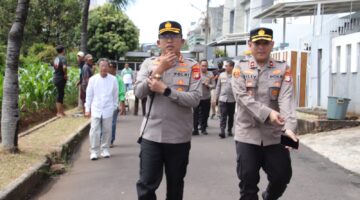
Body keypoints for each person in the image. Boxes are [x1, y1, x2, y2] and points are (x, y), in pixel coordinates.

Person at [134, 20, 201, 200]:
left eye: (174, 36)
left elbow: (195, 99)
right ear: (158, 42)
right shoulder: (149, 63)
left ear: (182, 41)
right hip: (152, 136)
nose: (169, 41)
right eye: (165, 37)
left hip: (179, 137)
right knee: (146, 185)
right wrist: (159, 69)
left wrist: (166, 91)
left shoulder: (192, 66)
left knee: (175, 186)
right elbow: (139, 93)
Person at [231, 27, 298, 200]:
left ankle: (268, 196)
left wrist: (290, 128)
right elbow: (241, 97)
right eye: (257, 43)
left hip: (275, 134)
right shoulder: (240, 67)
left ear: (272, 44)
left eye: (265, 43)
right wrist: (268, 113)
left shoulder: (283, 68)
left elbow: (286, 99)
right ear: (250, 44)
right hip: (247, 133)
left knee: (282, 177)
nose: (261, 47)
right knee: (247, 182)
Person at [85, 59, 119, 160]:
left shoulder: (113, 79)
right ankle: (94, 151)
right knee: (94, 130)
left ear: (108, 67)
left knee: (107, 130)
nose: (104, 68)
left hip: (108, 109)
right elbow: (89, 95)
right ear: (98, 67)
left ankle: (105, 149)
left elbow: (115, 95)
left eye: (106, 66)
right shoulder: (92, 79)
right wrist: (87, 108)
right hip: (96, 108)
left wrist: (114, 107)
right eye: (102, 66)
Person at [192, 59, 215, 135]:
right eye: (202, 65)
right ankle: (195, 129)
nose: (204, 67)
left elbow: (213, 85)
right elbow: (192, 84)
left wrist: (208, 85)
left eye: (205, 66)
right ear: (199, 66)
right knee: (195, 114)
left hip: (206, 97)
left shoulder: (210, 74)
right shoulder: (196, 73)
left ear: (207, 66)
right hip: (197, 97)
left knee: (205, 114)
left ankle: (203, 129)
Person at [216, 60, 235, 138]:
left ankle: (229, 129)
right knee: (223, 115)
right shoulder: (222, 75)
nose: (225, 67)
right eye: (225, 66)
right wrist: (216, 97)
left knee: (231, 116)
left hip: (232, 99)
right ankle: (222, 131)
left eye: (227, 66)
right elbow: (218, 86)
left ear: (231, 67)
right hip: (223, 99)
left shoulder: (236, 75)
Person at [108, 63, 126, 148]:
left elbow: (122, 93)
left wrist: (122, 105)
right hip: (104, 105)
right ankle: (103, 140)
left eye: (110, 68)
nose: (108, 69)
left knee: (112, 123)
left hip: (114, 105)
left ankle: (111, 140)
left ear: (114, 69)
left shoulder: (119, 79)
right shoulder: (104, 78)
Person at [53, 45, 68, 117]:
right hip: (60, 78)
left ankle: (61, 112)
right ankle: (59, 112)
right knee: (60, 95)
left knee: (61, 94)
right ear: (63, 50)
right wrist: (65, 74)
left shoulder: (56, 58)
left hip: (56, 77)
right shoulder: (63, 58)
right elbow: (64, 67)